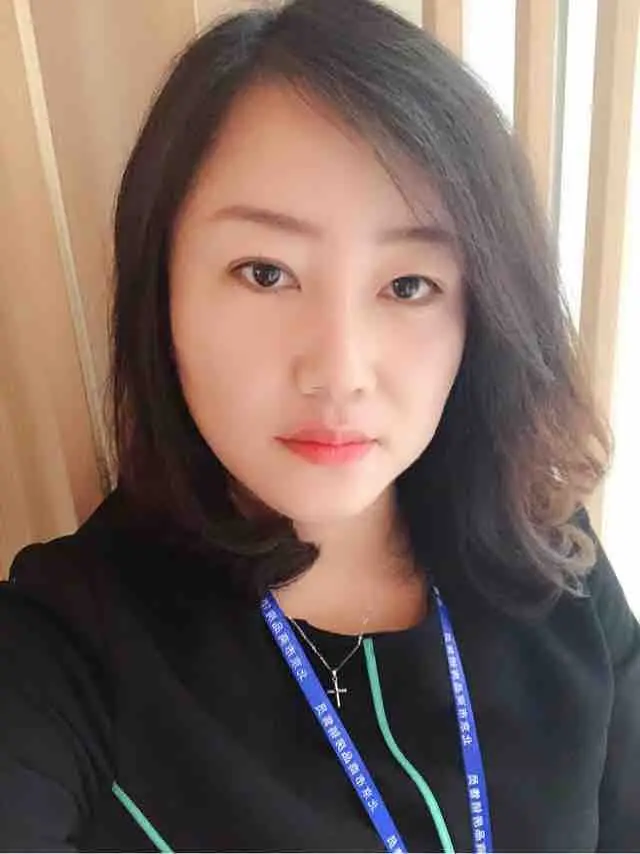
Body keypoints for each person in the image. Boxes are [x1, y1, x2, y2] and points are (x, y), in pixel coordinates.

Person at [1, 0, 638, 850]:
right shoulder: (61, 649)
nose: (339, 371)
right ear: (163, 292)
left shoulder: (553, 565)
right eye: (265, 273)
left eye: (408, 285)